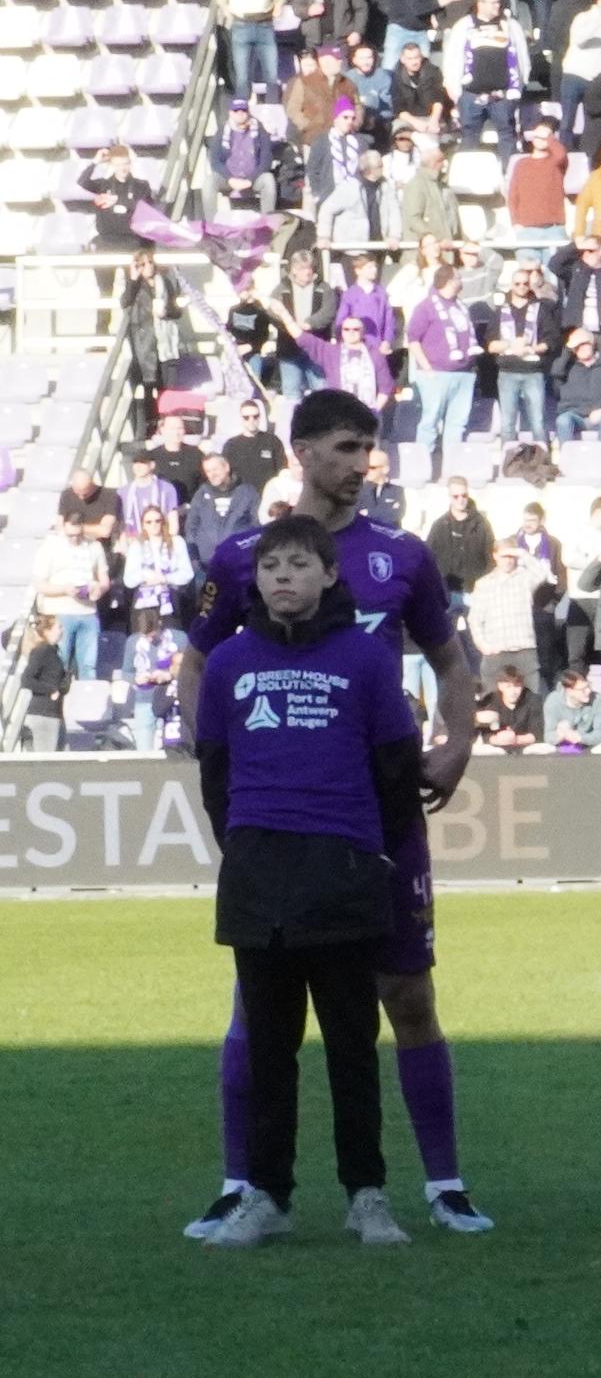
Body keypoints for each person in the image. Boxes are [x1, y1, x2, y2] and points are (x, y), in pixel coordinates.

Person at [180, 391, 486, 1241]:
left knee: (406, 994)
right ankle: (245, 1184)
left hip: (374, 813)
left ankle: (443, 1185)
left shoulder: (403, 556)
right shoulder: (246, 556)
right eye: (348, 447)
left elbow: (451, 661)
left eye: (369, 448)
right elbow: (196, 668)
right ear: (302, 451)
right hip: (280, 822)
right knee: (260, 1004)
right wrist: (233, 775)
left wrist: (459, 743)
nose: (363, 463)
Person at [194, 517, 427, 1250]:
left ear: (329, 575)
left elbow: (396, 764)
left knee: (353, 1047)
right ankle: (267, 1195)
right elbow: (215, 772)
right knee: (270, 1047)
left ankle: (367, 1195)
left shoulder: (363, 658)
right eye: (270, 567)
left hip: (343, 871)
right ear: (255, 580)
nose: (282, 578)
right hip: (259, 875)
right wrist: (242, 843)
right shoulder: (229, 661)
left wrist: (379, 857)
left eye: (298, 564)